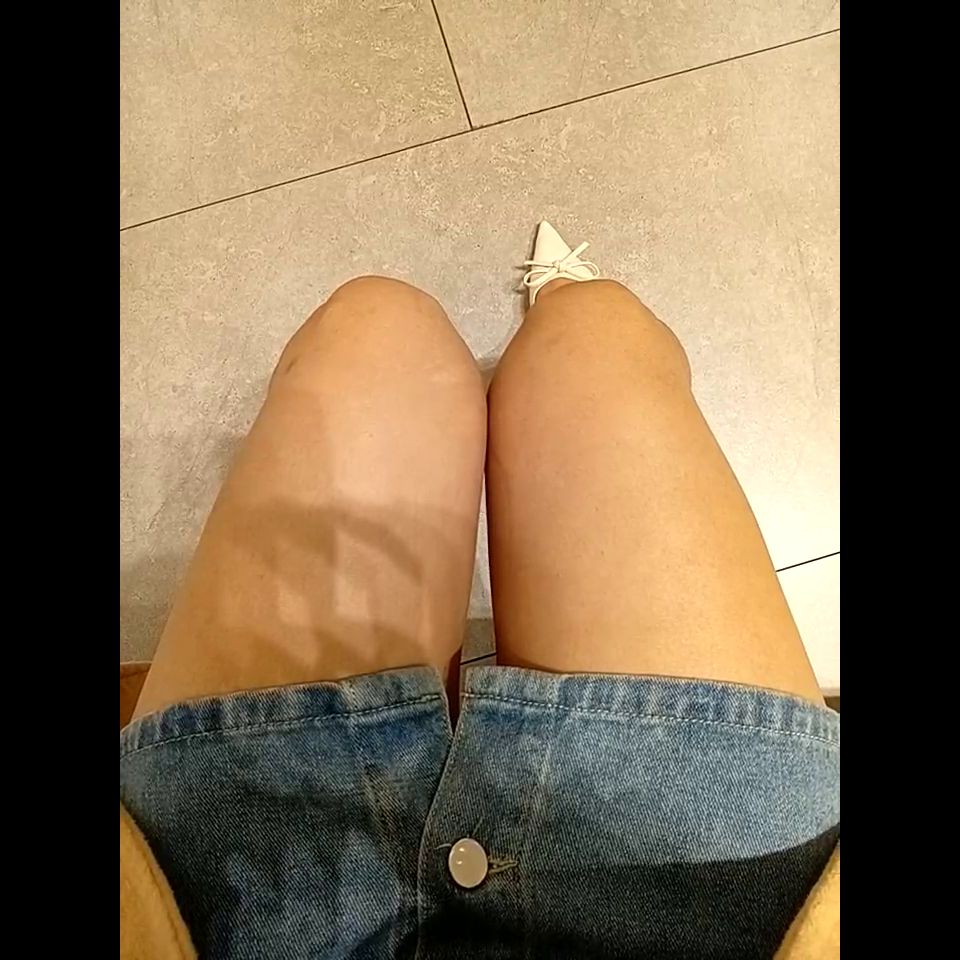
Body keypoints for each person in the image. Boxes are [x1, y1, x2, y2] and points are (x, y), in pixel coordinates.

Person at [119, 222, 839, 959]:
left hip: (237, 888)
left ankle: (559, 315)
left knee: (374, 328)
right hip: (716, 880)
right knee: (597, 338)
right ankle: (563, 303)